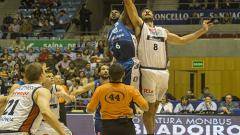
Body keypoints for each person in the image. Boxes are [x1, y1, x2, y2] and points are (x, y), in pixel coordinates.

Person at [123, 0, 212, 134]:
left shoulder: (162, 31)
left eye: (149, 11)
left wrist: (202, 30)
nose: (147, 11)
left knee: (155, 109)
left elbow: (182, 40)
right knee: (148, 108)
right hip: (147, 71)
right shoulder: (140, 27)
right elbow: (129, 5)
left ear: (154, 15)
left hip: (163, 73)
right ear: (141, 16)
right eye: (144, 11)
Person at [0, 62, 67, 135]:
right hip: (18, 131)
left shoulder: (18, 89)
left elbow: (3, 104)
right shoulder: (41, 91)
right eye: (44, 72)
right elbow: (45, 113)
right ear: (41, 76)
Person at [87, 63, 148, 135]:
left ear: (109, 74)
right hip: (126, 126)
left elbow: (90, 110)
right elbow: (145, 107)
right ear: (123, 74)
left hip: (107, 126)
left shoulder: (100, 89)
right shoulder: (131, 89)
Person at [71, 65, 109, 135]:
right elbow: (78, 91)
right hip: (99, 116)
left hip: (113, 116)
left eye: (107, 69)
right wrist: (69, 96)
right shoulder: (95, 84)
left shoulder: (115, 84)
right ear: (99, 73)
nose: (106, 70)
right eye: (103, 69)